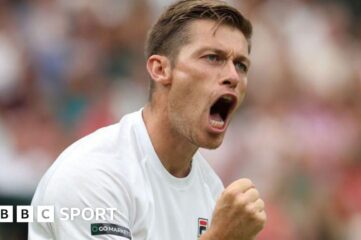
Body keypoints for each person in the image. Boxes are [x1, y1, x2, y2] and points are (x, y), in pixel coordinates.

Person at [29, 0, 266, 239]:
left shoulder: (212, 191)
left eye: (241, 65)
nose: (233, 76)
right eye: (213, 57)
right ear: (161, 69)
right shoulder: (94, 174)